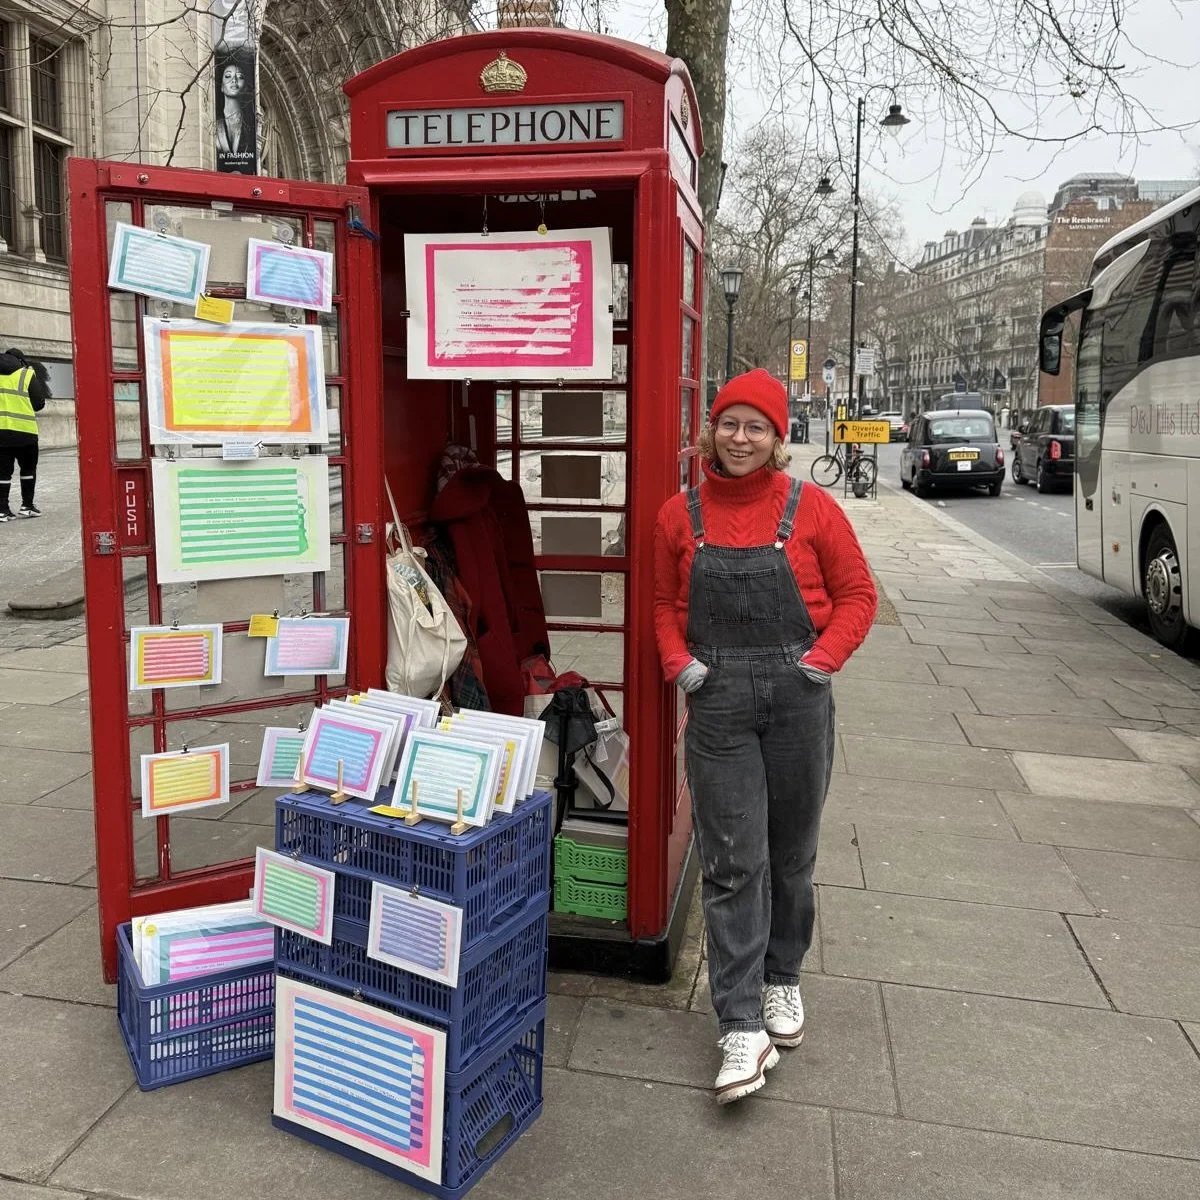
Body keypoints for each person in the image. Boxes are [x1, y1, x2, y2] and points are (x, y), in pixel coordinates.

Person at [653, 367, 876, 1105]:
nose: (739, 438)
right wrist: (680, 666)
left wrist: (820, 663)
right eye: (728, 423)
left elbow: (858, 595)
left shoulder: (812, 508)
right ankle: (740, 1022)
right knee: (730, 861)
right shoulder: (676, 515)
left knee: (791, 857)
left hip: (796, 696)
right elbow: (660, 604)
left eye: (756, 427)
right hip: (715, 699)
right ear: (709, 430)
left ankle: (783, 977)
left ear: (777, 439)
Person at [0, 347, 50, 520]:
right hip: (25, 432)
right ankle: (27, 506)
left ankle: (2, 510)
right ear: (20, 360)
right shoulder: (26, 374)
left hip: (0, 434)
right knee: (28, 469)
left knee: (3, 473)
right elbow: (38, 404)